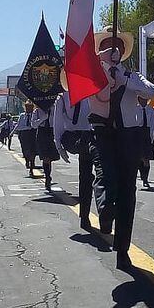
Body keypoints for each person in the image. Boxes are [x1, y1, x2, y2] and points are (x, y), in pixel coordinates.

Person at [87, 28, 154, 269]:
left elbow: (151, 91)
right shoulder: (93, 74)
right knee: (105, 175)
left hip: (129, 134)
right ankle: (105, 210)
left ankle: (122, 248)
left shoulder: (132, 75)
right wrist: (103, 68)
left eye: (117, 45)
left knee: (128, 191)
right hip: (102, 132)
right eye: (108, 45)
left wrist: (126, 80)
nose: (113, 49)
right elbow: (87, 87)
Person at [53, 69, 94, 230]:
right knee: (86, 172)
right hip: (70, 136)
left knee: (86, 178)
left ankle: (85, 215)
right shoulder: (62, 99)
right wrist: (59, 146)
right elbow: (57, 124)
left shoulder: (91, 96)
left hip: (88, 136)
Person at [32, 100, 60, 190]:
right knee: (45, 157)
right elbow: (33, 125)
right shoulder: (37, 111)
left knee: (50, 158)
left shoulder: (55, 109)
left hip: (52, 132)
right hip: (42, 133)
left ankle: (48, 175)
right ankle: (47, 177)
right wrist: (43, 118)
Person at [137, 96, 154, 189]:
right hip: (137, 133)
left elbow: (153, 124)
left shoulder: (151, 110)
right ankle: (139, 176)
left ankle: (145, 179)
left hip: (147, 134)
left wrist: (151, 137)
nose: (142, 99)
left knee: (146, 159)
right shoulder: (135, 108)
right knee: (137, 158)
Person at [14, 101, 39, 177]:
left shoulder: (35, 114)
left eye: (30, 107)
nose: (29, 109)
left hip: (32, 133)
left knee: (32, 150)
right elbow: (18, 125)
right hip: (24, 134)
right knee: (25, 150)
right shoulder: (22, 116)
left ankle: (31, 167)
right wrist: (12, 132)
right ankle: (27, 160)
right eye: (27, 107)